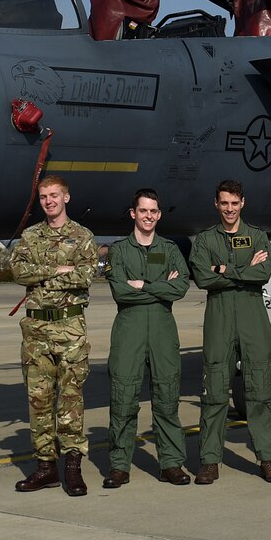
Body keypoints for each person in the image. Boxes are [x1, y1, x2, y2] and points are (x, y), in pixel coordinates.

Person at [190, 179, 271, 482]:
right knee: (214, 390)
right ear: (216, 204)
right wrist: (240, 271)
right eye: (224, 203)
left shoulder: (258, 237)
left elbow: (263, 273)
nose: (229, 209)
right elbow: (203, 278)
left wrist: (223, 269)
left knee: (259, 390)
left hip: (252, 316)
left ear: (242, 203)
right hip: (219, 318)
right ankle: (209, 461)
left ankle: (268, 459)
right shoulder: (205, 240)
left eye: (234, 203)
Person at [7, 174, 96, 497]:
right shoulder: (30, 237)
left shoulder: (82, 236)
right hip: (36, 331)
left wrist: (41, 277)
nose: (49, 201)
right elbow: (18, 271)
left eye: (54, 195)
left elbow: (86, 275)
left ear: (66, 198)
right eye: (44, 197)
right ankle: (46, 467)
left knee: (71, 400)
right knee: (39, 400)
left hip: (70, 328)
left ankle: (72, 467)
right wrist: (57, 271)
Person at [104, 189, 192, 487]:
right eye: (143, 211)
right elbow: (120, 290)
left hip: (163, 332)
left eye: (154, 211)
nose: (149, 216)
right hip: (129, 331)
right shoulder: (118, 250)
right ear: (133, 213)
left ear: (159, 214)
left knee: (167, 399)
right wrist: (157, 286)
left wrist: (142, 285)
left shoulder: (168, 249)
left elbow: (180, 287)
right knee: (124, 399)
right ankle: (119, 466)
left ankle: (171, 464)